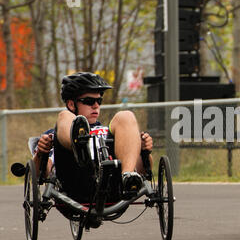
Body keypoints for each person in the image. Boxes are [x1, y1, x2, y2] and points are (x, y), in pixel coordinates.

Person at [33, 72, 153, 203]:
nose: (96, 105)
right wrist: (41, 152)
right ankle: (78, 144)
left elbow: (143, 170)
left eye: (99, 101)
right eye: (89, 101)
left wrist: (144, 151)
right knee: (65, 116)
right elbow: (41, 174)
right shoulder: (55, 134)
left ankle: (127, 176)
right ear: (72, 104)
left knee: (126, 115)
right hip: (74, 186)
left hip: (113, 186)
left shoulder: (111, 132)